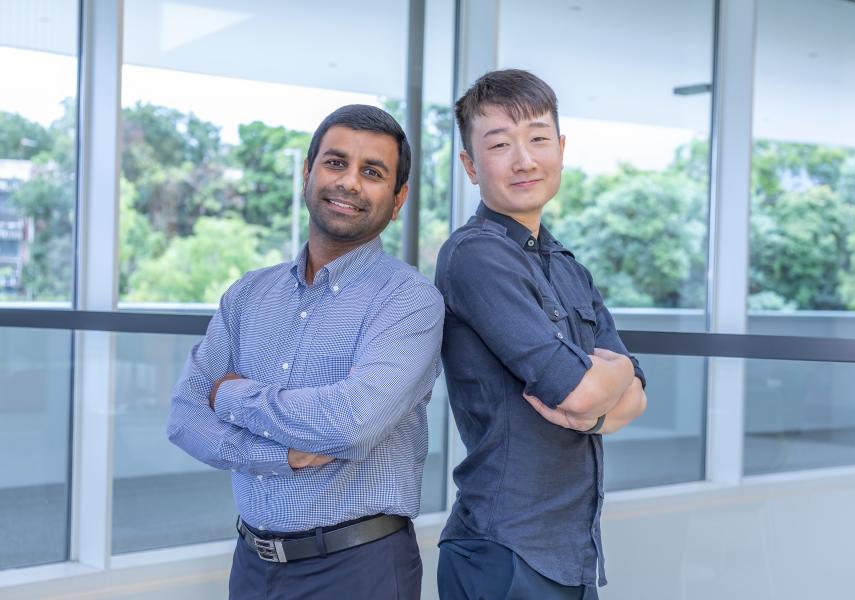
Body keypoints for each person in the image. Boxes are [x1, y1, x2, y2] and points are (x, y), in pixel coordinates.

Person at [166, 104, 444, 599]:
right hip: (251, 566)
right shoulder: (248, 295)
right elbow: (185, 417)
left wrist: (230, 396)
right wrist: (281, 455)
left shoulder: (409, 301)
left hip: (359, 571)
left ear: (398, 199)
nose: (350, 183)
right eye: (336, 163)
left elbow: (349, 424)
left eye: (372, 172)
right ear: (307, 174)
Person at [435, 69, 649, 599]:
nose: (524, 159)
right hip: (506, 552)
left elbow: (636, 399)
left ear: (561, 148)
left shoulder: (565, 265)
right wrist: (608, 383)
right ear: (470, 166)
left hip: (571, 550)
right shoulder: (475, 255)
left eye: (537, 138)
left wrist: (604, 398)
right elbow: (575, 390)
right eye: (500, 144)